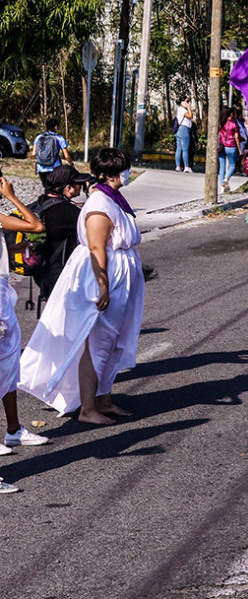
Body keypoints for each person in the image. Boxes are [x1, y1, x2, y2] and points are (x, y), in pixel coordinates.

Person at [19, 148, 145, 426]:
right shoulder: (100, 205)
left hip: (120, 275)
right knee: (99, 343)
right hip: (104, 277)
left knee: (113, 342)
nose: (128, 173)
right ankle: (88, 408)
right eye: (125, 168)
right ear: (114, 173)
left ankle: (104, 399)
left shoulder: (113, 198)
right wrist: (103, 287)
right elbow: (98, 248)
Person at [0, 175, 50, 475]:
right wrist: (13, 198)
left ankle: (15, 429)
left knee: (8, 365)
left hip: (3, 293)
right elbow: (36, 226)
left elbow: (35, 228)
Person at [29, 165, 91, 302]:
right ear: (68, 188)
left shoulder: (40, 203)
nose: (81, 187)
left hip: (42, 271)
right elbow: (94, 229)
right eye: (79, 184)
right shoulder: (68, 211)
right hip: (61, 274)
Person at [33, 118, 72, 183]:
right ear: (56, 127)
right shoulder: (59, 138)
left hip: (40, 168)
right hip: (55, 168)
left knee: (46, 187)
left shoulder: (39, 137)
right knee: (55, 188)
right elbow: (67, 156)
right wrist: (71, 164)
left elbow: (33, 153)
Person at [218, 108, 242, 193]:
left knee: (222, 166)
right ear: (231, 114)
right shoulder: (234, 123)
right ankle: (227, 178)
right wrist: (239, 149)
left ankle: (222, 186)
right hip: (231, 146)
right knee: (232, 165)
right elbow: (237, 137)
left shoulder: (221, 122)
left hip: (221, 146)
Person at [175, 98, 195, 173]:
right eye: (186, 101)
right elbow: (190, 116)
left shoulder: (179, 109)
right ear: (182, 102)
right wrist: (188, 107)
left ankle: (178, 166)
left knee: (179, 149)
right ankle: (186, 167)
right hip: (184, 129)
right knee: (185, 149)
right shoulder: (182, 110)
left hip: (180, 130)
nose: (187, 103)